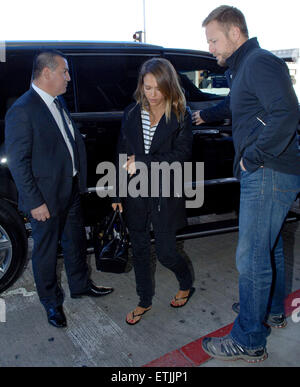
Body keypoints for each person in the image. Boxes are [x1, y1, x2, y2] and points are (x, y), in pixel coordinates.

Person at [192, 5, 300, 363]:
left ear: (235, 33)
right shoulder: (244, 68)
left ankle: (249, 338)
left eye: (213, 40)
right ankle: (270, 310)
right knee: (270, 249)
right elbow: (236, 105)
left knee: (252, 257)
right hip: (272, 170)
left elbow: (285, 113)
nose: (210, 48)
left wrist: (251, 157)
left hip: (268, 170)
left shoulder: (259, 63)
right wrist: (204, 114)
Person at [5, 50, 113, 328]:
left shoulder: (57, 101)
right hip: (45, 199)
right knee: (46, 252)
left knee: (75, 242)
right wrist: (34, 202)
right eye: (64, 72)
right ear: (46, 73)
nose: (68, 77)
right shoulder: (22, 110)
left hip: (70, 190)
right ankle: (51, 303)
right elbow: (18, 162)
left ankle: (80, 286)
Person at [112, 58, 195, 325]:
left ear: (169, 86)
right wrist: (116, 194)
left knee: (167, 252)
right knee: (139, 252)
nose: (153, 94)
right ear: (141, 86)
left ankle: (186, 282)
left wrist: (144, 162)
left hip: (165, 194)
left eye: (158, 88)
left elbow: (181, 156)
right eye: (147, 88)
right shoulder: (131, 113)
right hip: (135, 193)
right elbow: (122, 154)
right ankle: (144, 301)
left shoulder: (181, 114)